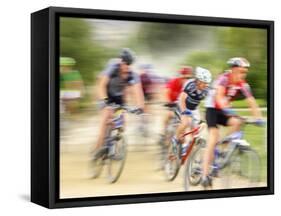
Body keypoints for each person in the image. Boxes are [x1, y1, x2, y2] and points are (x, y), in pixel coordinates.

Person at [201, 57, 265, 188]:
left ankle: (223, 152)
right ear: (233, 70)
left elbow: (251, 101)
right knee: (213, 137)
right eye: (241, 71)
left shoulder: (243, 84)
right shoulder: (224, 79)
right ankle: (204, 174)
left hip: (224, 109)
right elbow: (219, 96)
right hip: (212, 109)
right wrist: (228, 110)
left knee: (237, 123)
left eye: (245, 72)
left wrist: (259, 118)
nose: (243, 75)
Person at [92, 48, 145, 157]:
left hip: (118, 97)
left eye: (129, 64)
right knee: (106, 116)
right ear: (120, 61)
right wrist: (105, 101)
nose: (127, 66)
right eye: (125, 63)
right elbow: (101, 85)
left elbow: (137, 91)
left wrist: (140, 107)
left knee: (122, 123)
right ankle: (97, 150)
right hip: (105, 94)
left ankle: (114, 146)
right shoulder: (113, 67)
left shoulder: (132, 74)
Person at [172, 67, 212, 153]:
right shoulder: (190, 84)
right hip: (183, 105)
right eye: (204, 83)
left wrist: (206, 118)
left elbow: (209, 105)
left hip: (194, 108)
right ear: (198, 80)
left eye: (207, 83)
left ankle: (187, 147)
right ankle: (175, 138)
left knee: (196, 129)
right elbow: (182, 99)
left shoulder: (207, 90)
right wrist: (183, 112)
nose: (205, 85)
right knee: (186, 122)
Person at [162, 66, 193, 132]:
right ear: (180, 77)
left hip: (181, 104)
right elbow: (166, 92)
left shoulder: (191, 85)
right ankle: (163, 132)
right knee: (169, 114)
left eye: (188, 78)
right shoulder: (174, 81)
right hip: (172, 102)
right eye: (184, 78)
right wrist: (168, 102)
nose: (186, 80)